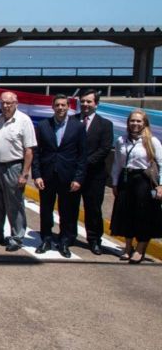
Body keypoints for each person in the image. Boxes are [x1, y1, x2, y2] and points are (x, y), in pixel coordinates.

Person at [33, 94, 87, 258]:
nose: (60, 108)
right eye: (57, 105)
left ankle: (64, 241)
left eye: (64, 105)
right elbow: (36, 152)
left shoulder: (77, 127)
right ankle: (46, 239)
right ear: (53, 107)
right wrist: (37, 175)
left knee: (67, 211)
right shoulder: (43, 125)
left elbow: (82, 155)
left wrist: (78, 178)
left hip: (68, 177)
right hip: (47, 176)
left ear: (69, 107)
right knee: (46, 210)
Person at [0, 92, 36, 252]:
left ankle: (17, 237)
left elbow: (29, 150)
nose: (6, 106)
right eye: (3, 103)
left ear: (16, 103)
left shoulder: (24, 121)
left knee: (15, 204)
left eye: (9, 103)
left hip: (14, 166)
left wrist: (25, 173)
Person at [110, 109, 162, 263]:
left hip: (143, 181)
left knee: (143, 215)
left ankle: (140, 248)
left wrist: (161, 185)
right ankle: (127, 247)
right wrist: (114, 182)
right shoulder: (121, 140)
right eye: (132, 120)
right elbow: (117, 164)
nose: (135, 124)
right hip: (126, 179)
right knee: (126, 214)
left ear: (144, 123)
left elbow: (161, 164)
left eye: (139, 121)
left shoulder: (152, 141)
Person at [75, 89, 114, 255]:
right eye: (83, 101)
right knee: (69, 207)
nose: (85, 104)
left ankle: (94, 240)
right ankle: (68, 236)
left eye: (89, 102)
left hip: (94, 175)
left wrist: (84, 163)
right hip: (73, 174)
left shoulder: (105, 124)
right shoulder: (71, 121)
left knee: (93, 209)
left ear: (96, 104)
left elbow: (104, 149)